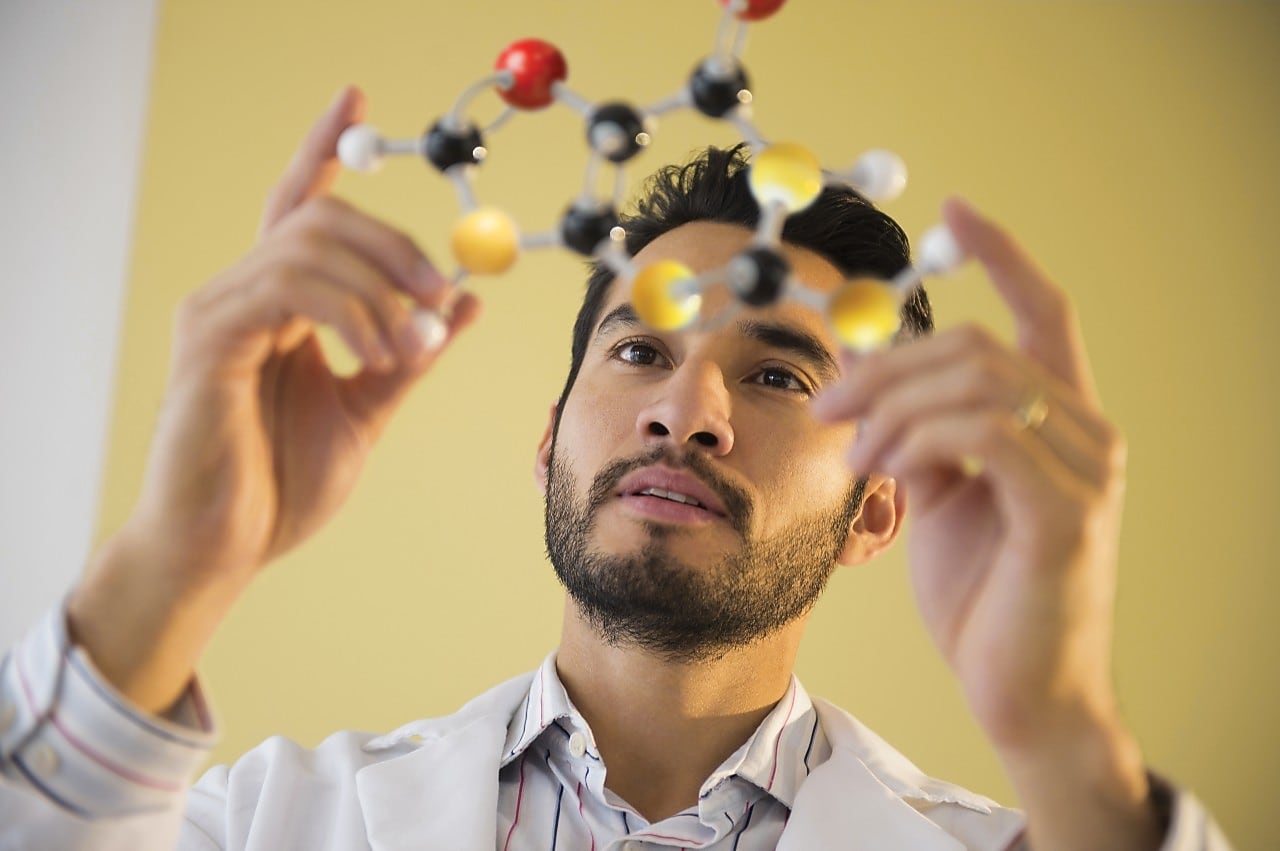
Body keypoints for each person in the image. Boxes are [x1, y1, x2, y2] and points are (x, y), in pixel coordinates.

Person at [0, 86, 1232, 850]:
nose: (684, 413)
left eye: (780, 375)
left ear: (876, 511)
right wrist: (171, 563)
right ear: (546, 443)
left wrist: (1065, 733)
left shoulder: (1049, 837)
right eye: (639, 348)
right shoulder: (265, 825)